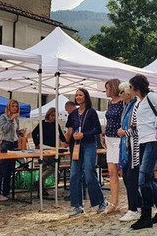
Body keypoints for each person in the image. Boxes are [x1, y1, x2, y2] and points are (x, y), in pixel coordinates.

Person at [129, 74, 157, 230]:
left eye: (131, 86)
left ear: (136, 86)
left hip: (152, 140)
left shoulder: (150, 96)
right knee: (147, 178)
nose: (130, 89)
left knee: (143, 178)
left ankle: (146, 215)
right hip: (144, 140)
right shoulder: (140, 102)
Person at [68, 88, 108, 217]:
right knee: (74, 174)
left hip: (89, 144)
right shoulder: (73, 114)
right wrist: (73, 135)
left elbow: (97, 129)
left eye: (80, 95)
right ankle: (77, 205)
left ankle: (101, 201)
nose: (78, 97)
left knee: (89, 172)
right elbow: (70, 129)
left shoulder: (91, 112)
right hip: (76, 146)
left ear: (86, 97)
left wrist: (83, 134)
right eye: (76, 95)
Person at [117, 82, 142, 222]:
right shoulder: (126, 107)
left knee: (131, 178)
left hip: (134, 146)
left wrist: (124, 132)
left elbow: (137, 128)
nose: (119, 94)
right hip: (127, 146)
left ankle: (134, 208)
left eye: (121, 92)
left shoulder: (135, 107)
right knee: (128, 177)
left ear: (128, 93)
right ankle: (137, 205)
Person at [0, 99, 25, 201]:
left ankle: (6, 192)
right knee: (2, 169)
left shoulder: (17, 119)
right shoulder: (4, 117)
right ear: (9, 107)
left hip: (14, 144)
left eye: (16, 106)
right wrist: (11, 119)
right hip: (6, 144)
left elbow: (15, 132)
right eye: (13, 106)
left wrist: (20, 133)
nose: (14, 108)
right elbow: (4, 130)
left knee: (10, 169)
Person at [32, 107, 66, 197]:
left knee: (53, 167)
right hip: (44, 148)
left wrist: (67, 141)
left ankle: (38, 183)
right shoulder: (43, 123)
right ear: (48, 115)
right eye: (52, 116)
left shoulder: (56, 125)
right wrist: (37, 144)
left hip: (54, 149)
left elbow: (62, 137)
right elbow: (33, 133)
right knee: (43, 167)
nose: (53, 118)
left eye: (55, 116)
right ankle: (41, 188)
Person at [104, 78, 123, 213]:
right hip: (109, 138)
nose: (106, 91)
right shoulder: (110, 103)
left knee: (121, 170)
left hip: (118, 139)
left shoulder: (122, 103)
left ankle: (134, 200)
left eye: (107, 88)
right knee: (111, 171)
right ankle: (114, 202)